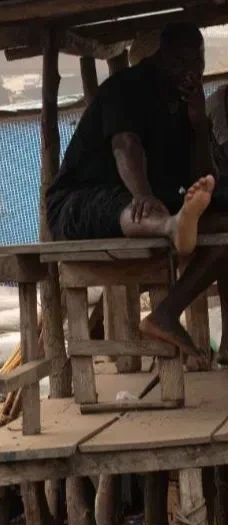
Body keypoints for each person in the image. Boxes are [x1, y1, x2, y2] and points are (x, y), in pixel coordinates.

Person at [46, 22, 224, 364]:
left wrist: (200, 124)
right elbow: (125, 145)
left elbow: (204, 177)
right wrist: (142, 193)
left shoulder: (184, 102)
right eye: (180, 63)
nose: (190, 72)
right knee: (128, 205)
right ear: (159, 59)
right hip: (79, 202)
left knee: (225, 225)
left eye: (197, 63)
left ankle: (166, 315)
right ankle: (172, 227)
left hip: (157, 202)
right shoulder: (125, 88)